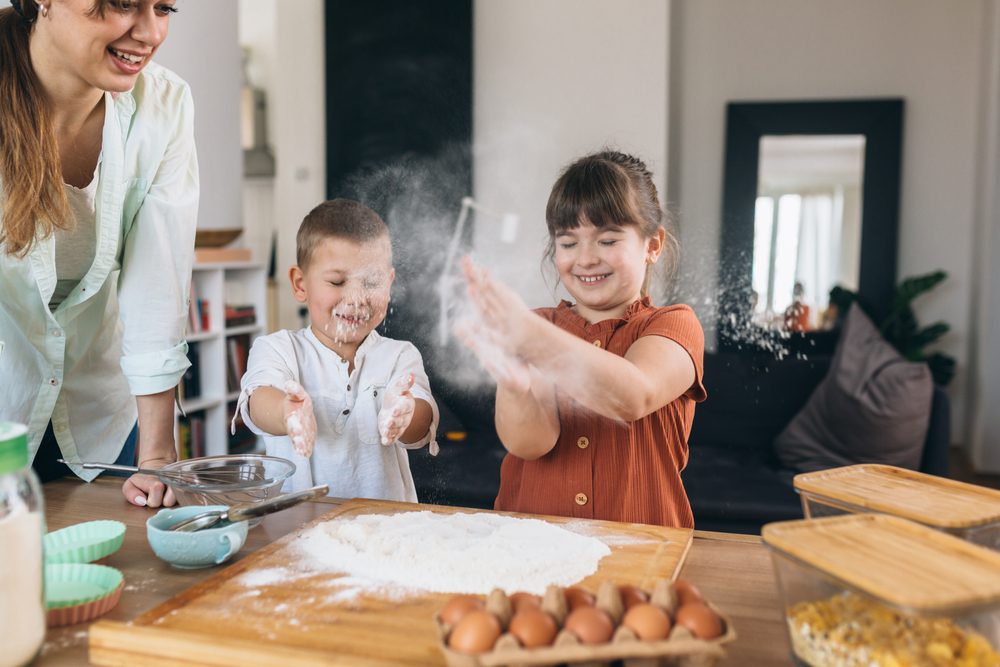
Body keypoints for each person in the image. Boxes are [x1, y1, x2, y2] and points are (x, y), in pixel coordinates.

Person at [0, 0, 197, 508]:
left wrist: (156, 456)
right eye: (124, 5)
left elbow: (157, 286)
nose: (150, 32)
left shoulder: (165, 106)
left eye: (164, 7)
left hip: (99, 426)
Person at [457, 150, 706, 528]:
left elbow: (633, 395)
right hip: (532, 547)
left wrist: (528, 335)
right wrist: (515, 386)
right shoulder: (540, 325)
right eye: (569, 243)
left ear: (652, 245)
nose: (586, 259)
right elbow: (530, 444)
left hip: (643, 552)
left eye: (607, 241)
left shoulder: (674, 325)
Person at [235, 199, 439, 500]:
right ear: (300, 284)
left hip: (385, 530)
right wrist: (285, 411)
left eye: (371, 282)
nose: (356, 298)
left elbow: (421, 426)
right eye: (337, 281)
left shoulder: (399, 355)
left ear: (390, 283)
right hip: (296, 528)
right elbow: (258, 401)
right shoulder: (278, 349)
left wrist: (403, 415)